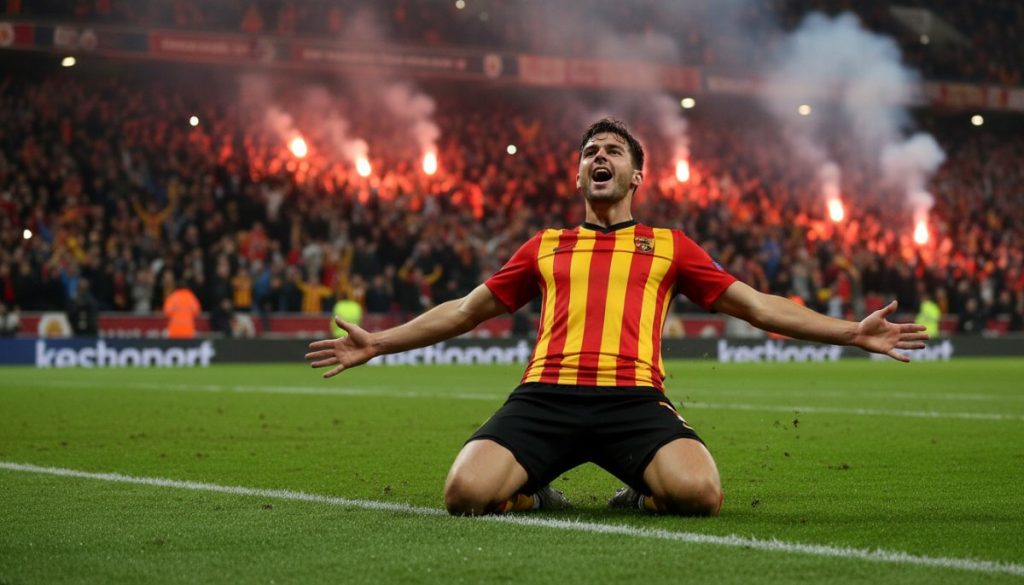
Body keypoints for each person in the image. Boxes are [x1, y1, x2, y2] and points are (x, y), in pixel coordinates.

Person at [305, 119, 928, 517]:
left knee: (701, 495)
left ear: (636, 175)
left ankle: (638, 490)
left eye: (612, 151)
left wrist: (851, 331)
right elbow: (466, 311)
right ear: (580, 175)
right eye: (589, 152)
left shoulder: (671, 246)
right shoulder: (546, 245)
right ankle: (535, 491)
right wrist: (379, 343)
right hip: (545, 396)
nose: (598, 157)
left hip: (633, 400)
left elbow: (757, 305)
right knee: (463, 495)